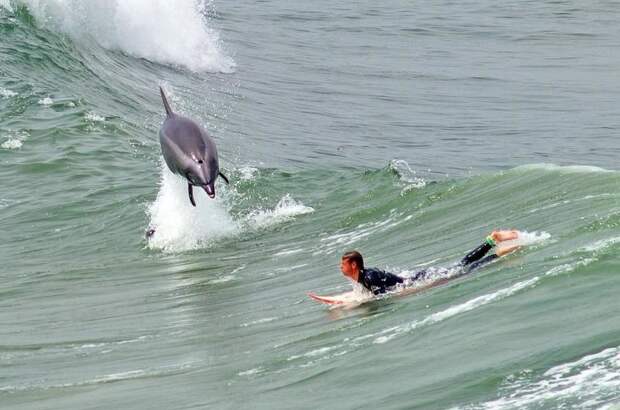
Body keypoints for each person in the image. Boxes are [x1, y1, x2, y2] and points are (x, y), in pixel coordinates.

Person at [340, 230, 520, 295]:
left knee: (466, 267)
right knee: (463, 265)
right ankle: (492, 242)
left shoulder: (369, 277)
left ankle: (497, 249)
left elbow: (389, 295)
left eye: (343, 264)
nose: (341, 267)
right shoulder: (365, 276)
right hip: (419, 276)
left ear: (354, 265)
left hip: (422, 279)